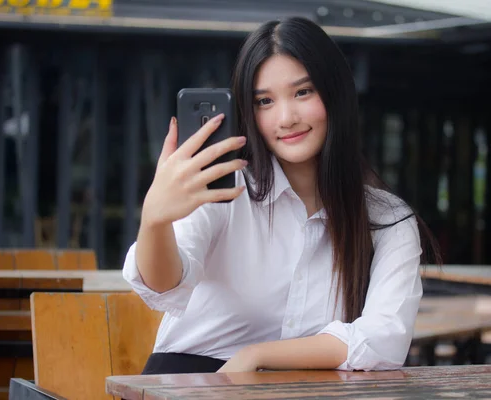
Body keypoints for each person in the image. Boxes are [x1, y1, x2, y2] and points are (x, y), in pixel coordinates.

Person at [123, 16, 440, 374]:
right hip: (188, 382)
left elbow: (385, 337)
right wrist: (155, 220)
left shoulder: (386, 218)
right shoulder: (225, 188)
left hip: (297, 388)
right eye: (264, 101)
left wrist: (257, 356)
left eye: (303, 92)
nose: (286, 118)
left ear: (335, 93)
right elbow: (164, 286)